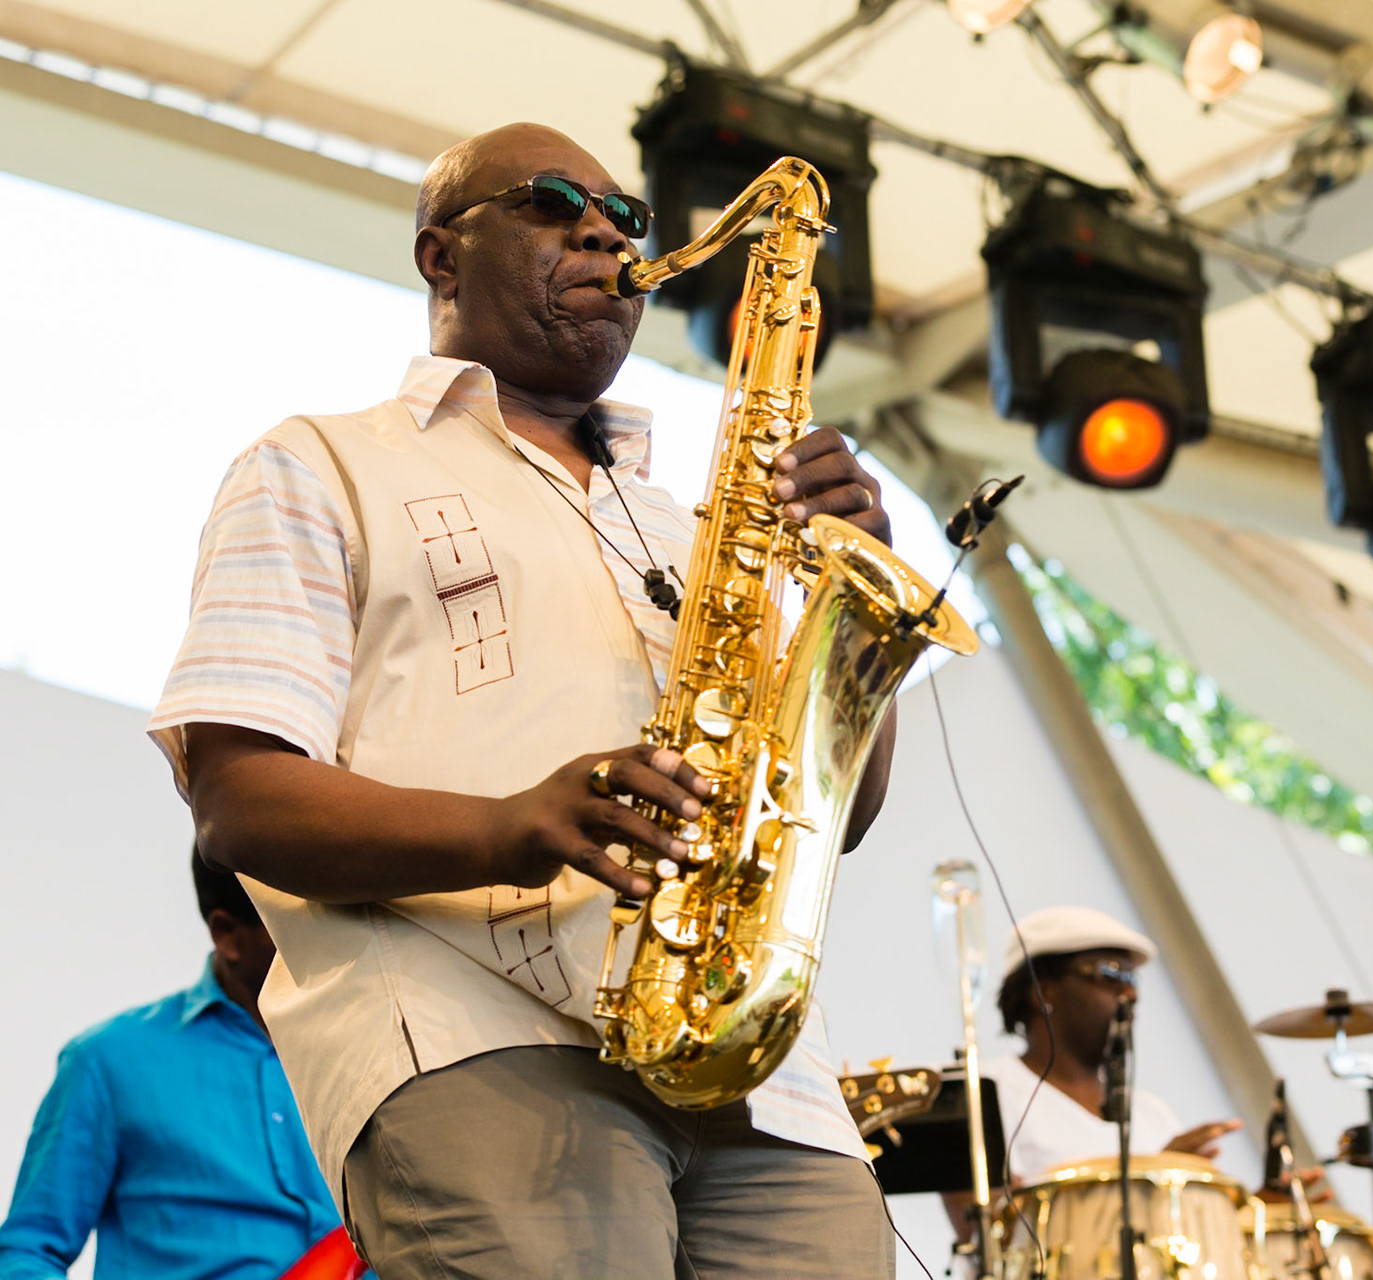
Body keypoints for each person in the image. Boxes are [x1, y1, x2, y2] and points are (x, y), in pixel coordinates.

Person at [147, 123, 898, 1280]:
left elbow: (830, 804)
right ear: (440, 255)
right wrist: (513, 822)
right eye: (551, 202)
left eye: (623, 216)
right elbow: (238, 798)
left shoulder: (697, 526)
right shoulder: (316, 463)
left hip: (764, 1081)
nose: (602, 230)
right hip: (474, 1032)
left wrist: (849, 590)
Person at [0, 848, 342, 1279]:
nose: (332, 941)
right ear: (226, 933)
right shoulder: (107, 1061)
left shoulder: (370, 1062)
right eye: (300, 926)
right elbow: (27, 1252)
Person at [983, 906, 1241, 1188]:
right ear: (1044, 992)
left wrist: (1266, 1213)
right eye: (1112, 974)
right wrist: (1151, 1181)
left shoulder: (1153, 1115)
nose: (1131, 994)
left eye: (1133, 978)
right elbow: (987, 1224)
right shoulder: (982, 1092)